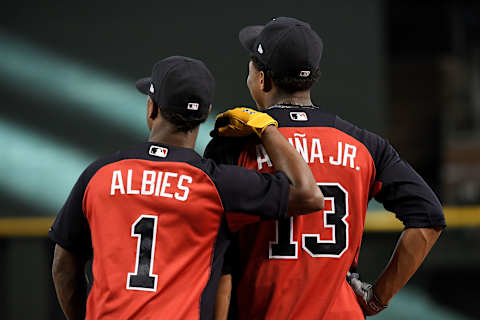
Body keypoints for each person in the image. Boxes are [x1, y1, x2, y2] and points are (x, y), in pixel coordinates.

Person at [204, 17, 446, 319]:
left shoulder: (236, 144)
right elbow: (429, 219)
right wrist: (376, 299)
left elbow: (217, 254)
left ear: (262, 79)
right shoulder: (365, 145)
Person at [49, 55, 324, 320]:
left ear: (152, 108)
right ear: (204, 116)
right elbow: (308, 194)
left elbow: (64, 270)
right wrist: (265, 127)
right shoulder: (220, 185)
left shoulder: (100, 174)